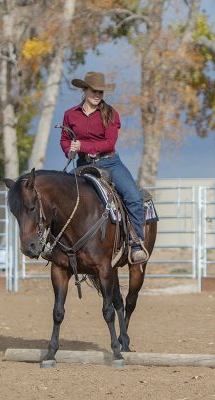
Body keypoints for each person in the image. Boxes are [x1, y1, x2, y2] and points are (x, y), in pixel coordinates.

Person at [60, 71, 148, 263]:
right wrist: (70, 151)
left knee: (133, 196)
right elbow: (65, 139)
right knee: (62, 198)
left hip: (110, 162)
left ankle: (135, 243)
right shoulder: (70, 115)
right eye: (93, 90)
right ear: (84, 90)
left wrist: (83, 145)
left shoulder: (110, 113)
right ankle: (58, 245)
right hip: (83, 164)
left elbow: (109, 143)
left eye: (100, 91)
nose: (97, 95)